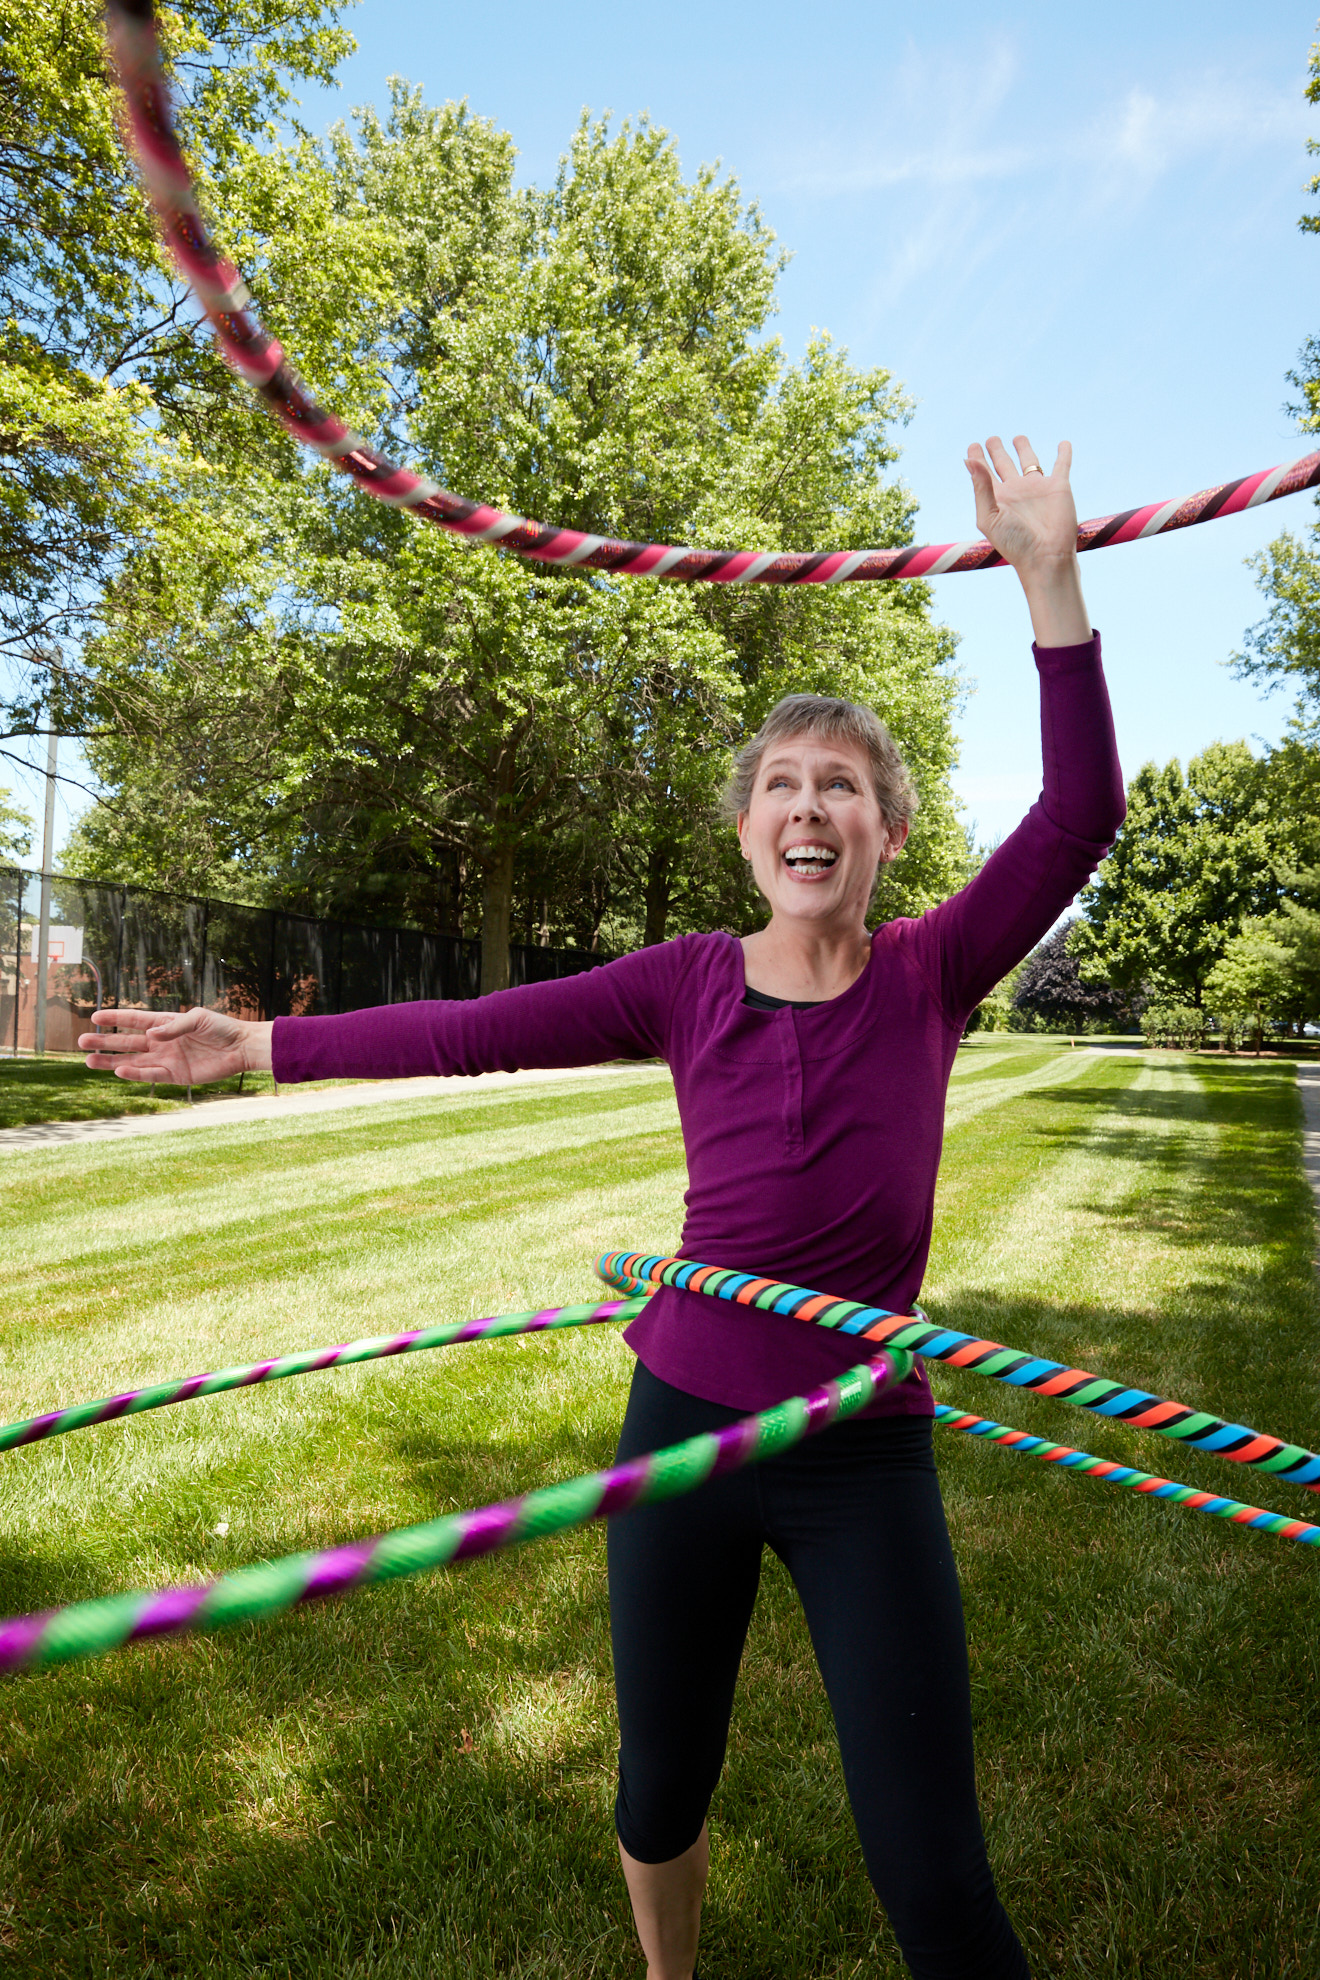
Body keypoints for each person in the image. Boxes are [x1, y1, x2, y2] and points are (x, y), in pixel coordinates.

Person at [82, 435, 1124, 1980]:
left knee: (933, 1871)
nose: (810, 805)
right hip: (685, 1423)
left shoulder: (931, 973)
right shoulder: (685, 984)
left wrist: (1050, 577)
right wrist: (259, 1046)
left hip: (860, 1443)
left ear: (888, 836)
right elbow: (476, 1029)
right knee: (656, 1789)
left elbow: (1079, 814)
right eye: (782, 784)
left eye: (843, 783)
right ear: (751, 831)